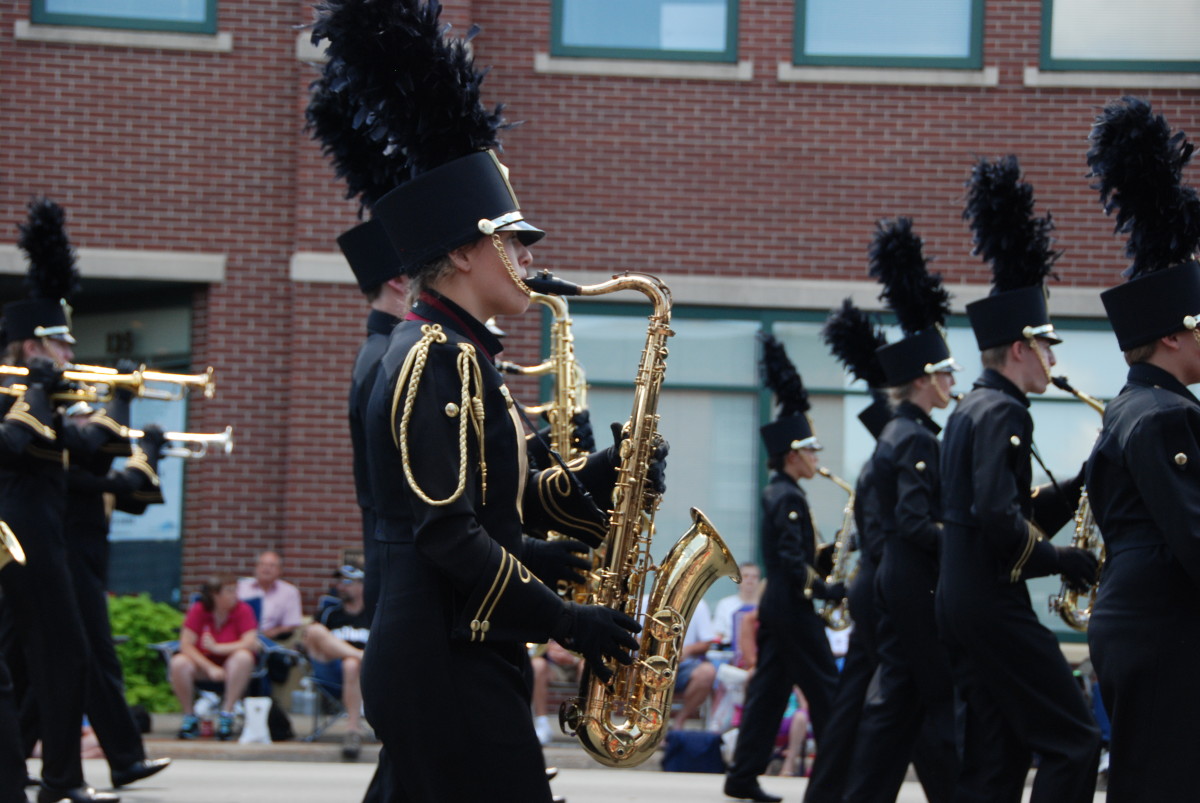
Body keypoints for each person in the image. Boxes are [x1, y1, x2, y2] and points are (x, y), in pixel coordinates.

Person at [312, 3, 654, 799]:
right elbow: (446, 535)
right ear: (462, 251)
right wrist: (568, 621)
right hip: (445, 657)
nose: (529, 256)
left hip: (455, 647)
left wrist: (607, 471)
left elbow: (496, 504)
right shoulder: (434, 356)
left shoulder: (460, 351)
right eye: (513, 239)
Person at [937, 156, 1100, 803]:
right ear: (1019, 348)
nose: (1054, 360)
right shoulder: (1005, 408)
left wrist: (1085, 481)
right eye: (1047, 345)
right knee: (1074, 740)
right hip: (991, 603)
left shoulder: (972, 406)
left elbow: (1007, 504)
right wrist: (1069, 559)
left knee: (996, 758)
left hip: (960, 600)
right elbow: (1002, 522)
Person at [1082, 96, 1200, 801]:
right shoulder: (1160, 417)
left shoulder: (1134, 406)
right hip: (1162, 630)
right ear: (1172, 335)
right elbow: (1193, 534)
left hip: (1139, 622)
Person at [0, 198, 118, 803]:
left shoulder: (47, 395)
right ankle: (60, 781)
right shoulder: (12, 395)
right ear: (29, 348)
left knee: (28, 664)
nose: (70, 356)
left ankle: (30, 772)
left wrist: (114, 417)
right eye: (59, 346)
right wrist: (42, 395)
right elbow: (14, 447)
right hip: (23, 536)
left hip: (43, 533)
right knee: (64, 658)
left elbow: (75, 446)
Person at [843, 218, 960, 803]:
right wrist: (965, 539)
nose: (952, 381)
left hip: (894, 578)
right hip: (910, 581)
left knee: (903, 705)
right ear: (922, 381)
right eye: (944, 373)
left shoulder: (904, 433)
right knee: (932, 701)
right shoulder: (914, 438)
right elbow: (916, 524)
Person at [724, 334, 841, 803]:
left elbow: (796, 555)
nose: (817, 458)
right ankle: (837, 781)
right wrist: (828, 590)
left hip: (780, 607)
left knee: (770, 695)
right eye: (811, 450)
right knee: (831, 696)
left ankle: (742, 776)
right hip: (793, 609)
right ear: (792, 453)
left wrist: (827, 555)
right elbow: (793, 563)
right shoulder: (788, 496)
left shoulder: (784, 493)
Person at [59, 398, 172, 789]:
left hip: (86, 575)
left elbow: (137, 500)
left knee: (87, 667)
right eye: (86, 422)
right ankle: (122, 759)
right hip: (67, 575)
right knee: (70, 666)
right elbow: (126, 483)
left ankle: (125, 759)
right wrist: (149, 453)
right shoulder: (67, 469)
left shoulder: (94, 473)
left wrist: (151, 457)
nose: (97, 433)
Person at [804, 301, 891, 803]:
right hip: (879, 593)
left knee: (854, 704)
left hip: (869, 591)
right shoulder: (897, 455)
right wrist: (826, 584)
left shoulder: (881, 457)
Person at [170, 575, 261, 742]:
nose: (235, 594)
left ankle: (227, 713)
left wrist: (217, 648)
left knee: (244, 657)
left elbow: (250, 642)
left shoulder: (243, 610)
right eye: (229, 591)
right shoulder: (199, 610)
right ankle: (190, 717)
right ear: (215, 595)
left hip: (231, 667)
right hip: (203, 666)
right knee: (179, 662)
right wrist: (209, 667)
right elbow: (186, 645)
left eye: (235, 590)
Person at [302, 565, 372, 760]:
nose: (341, 586)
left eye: (347, 582)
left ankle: (352, 730)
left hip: (368, 678)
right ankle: (360, 656)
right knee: (315, 631)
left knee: (351, 664)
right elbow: (305, 640)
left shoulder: (374, 614)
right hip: (331, 674)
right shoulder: (329, 613)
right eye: (339, 582)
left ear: (362, 585)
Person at [237, 550, 303, 641]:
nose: (266, 568)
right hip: (239, 636)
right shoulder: (240, 587)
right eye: (262, 564)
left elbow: (291, 624)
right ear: (256, 567)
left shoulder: (290, 592)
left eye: (272, 565)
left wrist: (272, 632)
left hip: (268, 639)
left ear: (280, 570)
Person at [530, 640, 581, 746]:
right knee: (537, 665)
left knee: (587, 667)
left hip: (578, 664)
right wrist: (547, 649)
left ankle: (586, 723)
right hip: (551, 667)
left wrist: (574, 658)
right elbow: (531, 652)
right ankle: (542, 723)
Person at [712, 563, 759, 646]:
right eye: (745, 576)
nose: (750, 581)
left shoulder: (765, 605)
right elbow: (718, 634)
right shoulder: (725, 604)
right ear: (737, 579)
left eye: (754, 577)